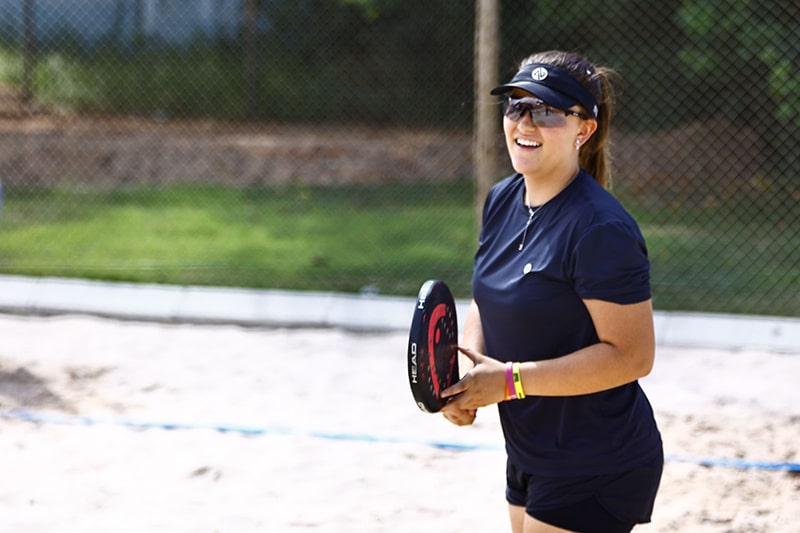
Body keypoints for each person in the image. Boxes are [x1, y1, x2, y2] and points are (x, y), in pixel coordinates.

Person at [440, 50, 663, 533]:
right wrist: (470, 375)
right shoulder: (503, 198)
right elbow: (488, 296)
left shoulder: (600, 228)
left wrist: (509, 382)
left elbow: (633, 356)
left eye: (547, 111)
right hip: (530, 447)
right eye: (516, 106)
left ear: (585, 129)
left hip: (597, 459)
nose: (525, 121)